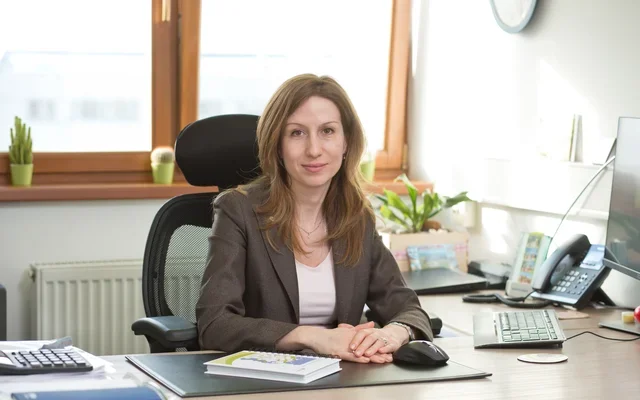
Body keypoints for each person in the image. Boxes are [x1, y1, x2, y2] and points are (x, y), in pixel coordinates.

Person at [196, 73, 433, 364]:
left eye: (328, 131)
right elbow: (215, 323)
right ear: (277, 145)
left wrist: (394, 333)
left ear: (346, 142)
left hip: (344, 378)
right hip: (264, 379)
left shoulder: (356, 216)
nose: (314, 150)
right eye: (297, 133)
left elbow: (408, 308)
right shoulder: (238, 210)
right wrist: (313, 337)